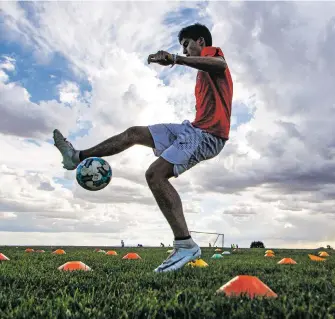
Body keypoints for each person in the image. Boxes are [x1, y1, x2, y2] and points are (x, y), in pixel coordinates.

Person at [52, 23, 233, 272]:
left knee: (155, 175)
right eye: (182, 47)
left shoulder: (213, 55)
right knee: (133, 133)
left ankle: (185, 245)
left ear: (200, 42)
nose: (185, 49)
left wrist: (176, 59)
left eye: (186, 44)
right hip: (193, 128)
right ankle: (76, 156)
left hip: (209, 135)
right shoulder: (201, 74)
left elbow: (221, 65)